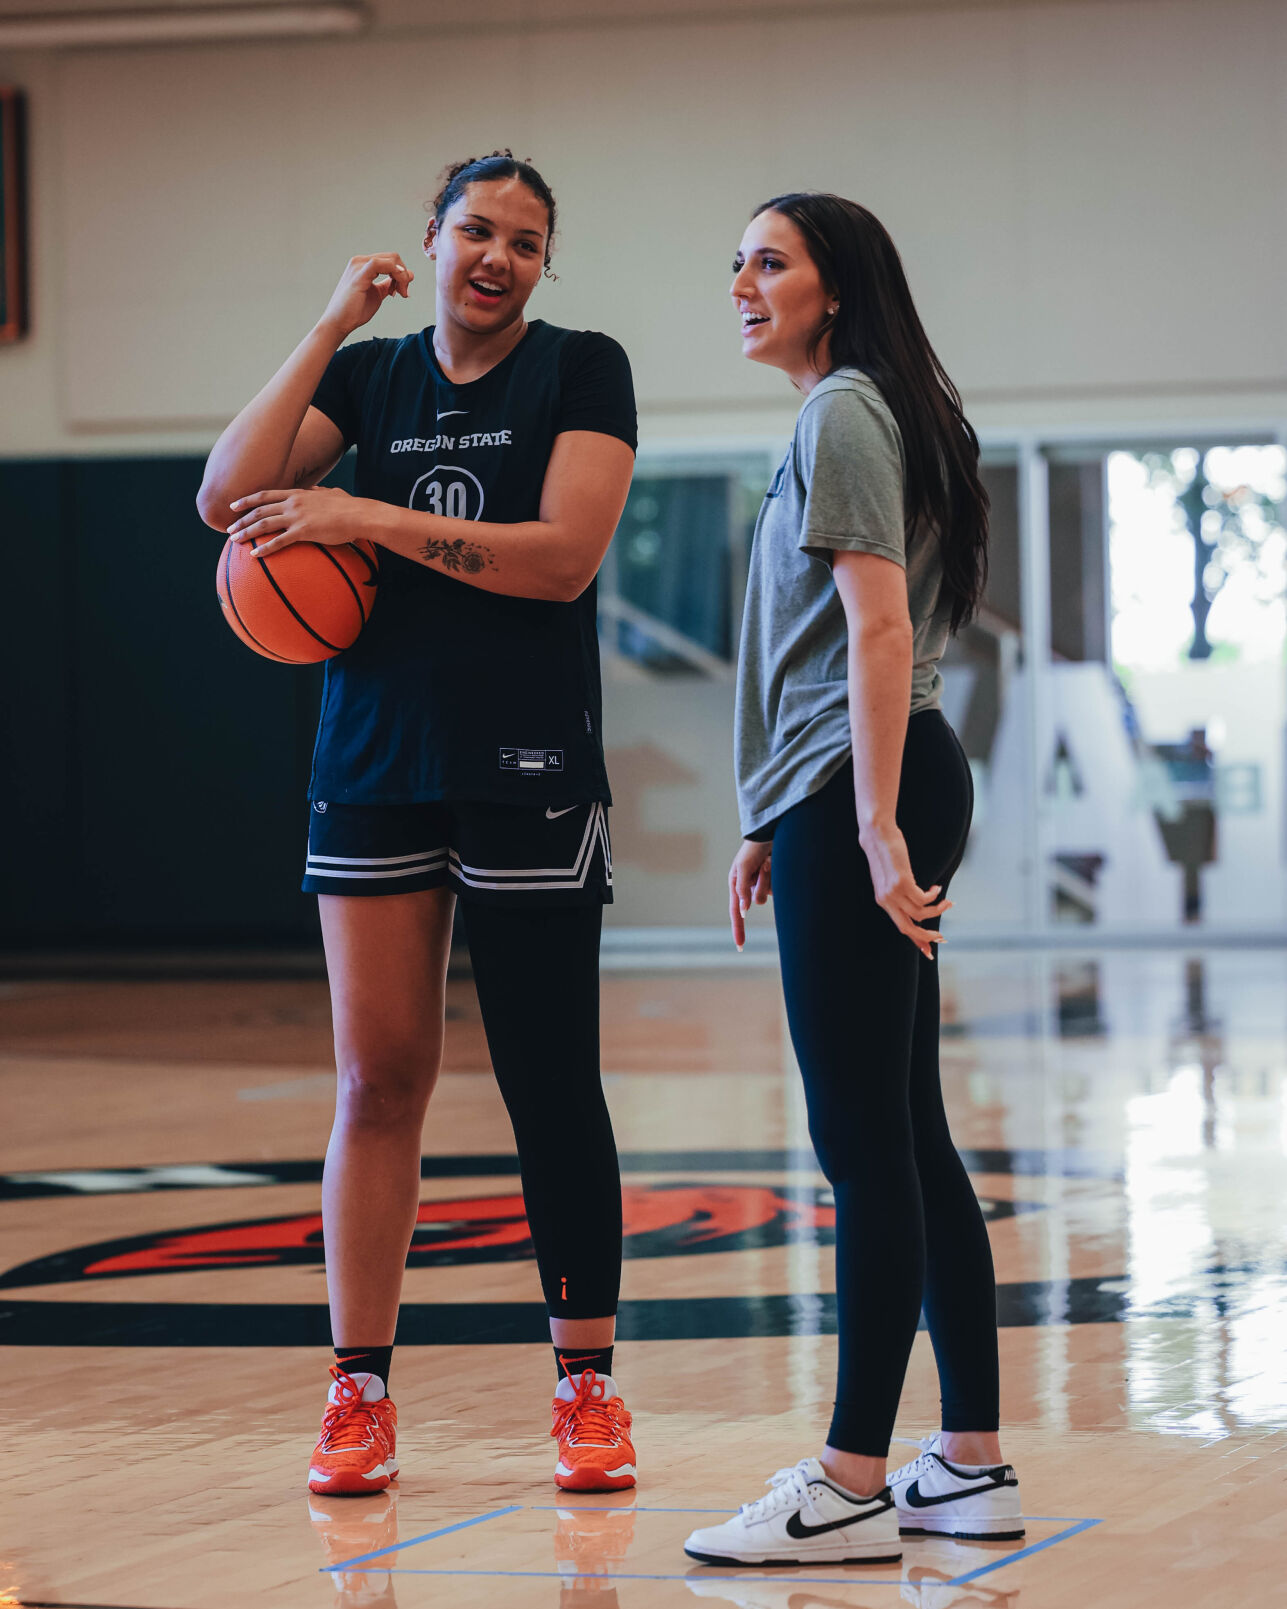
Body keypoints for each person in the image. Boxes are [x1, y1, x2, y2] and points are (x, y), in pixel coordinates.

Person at [197, 151, 638, 1498]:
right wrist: (332, 322)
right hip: (376, 756)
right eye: (474, 231)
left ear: (546, 264)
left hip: (527, 761)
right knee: (375, 1082)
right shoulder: (372, 379)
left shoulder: (581, 367)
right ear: (429, 242)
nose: (496, 256)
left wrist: (365, 515)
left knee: (549, 1084)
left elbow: (563, 554)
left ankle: (585, 1387)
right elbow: (225, 496)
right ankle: (359, 1390)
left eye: (524, 239)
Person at [684, 193, 1021, 1568]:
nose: (743, 285)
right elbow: (822, 653)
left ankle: (846, 1482)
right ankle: (971, 1461)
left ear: (837, 286)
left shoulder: (844, 415)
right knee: (906, 1128)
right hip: (843, 787)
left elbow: (879, 634)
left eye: (770, 262)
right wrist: (776, 815)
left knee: (861, 1141)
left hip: (868, 787)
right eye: (739, 265)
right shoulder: (863, 413)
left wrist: (868, 822)